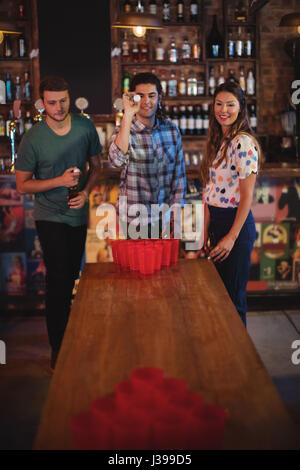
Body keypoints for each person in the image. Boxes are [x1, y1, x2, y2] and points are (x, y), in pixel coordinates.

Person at [15, 75, 102, 369]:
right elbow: (23, 185)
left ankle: (70, 341)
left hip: (76, 213)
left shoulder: (84, 126)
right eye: (52, 102)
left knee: (71, 278)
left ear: (69, 97)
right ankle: (59, 349)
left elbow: (98, 166)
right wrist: (59, 181)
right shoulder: (33, 138)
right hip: (49, 214)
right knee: (59, 279)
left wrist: (87, 192)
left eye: (63, 100)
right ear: (43, 103)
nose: (59, 106)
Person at [200, 82, 260, 326]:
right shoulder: (220, 140)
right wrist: (204, 231)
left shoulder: (242, 143)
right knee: (219, 301)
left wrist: (231, 237)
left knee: (233, 303)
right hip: (218, 224)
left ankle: (240, 363)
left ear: (241, 108)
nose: (223, 109)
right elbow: (209, 192)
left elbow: (247, 196)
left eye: (230, 104)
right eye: (219, 103)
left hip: (235, 226)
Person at [108, 72, 186, 238]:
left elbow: (179, 176)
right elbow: (115, 161)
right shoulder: (123, 131)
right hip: (133, 219)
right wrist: (128, 113)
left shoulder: (172, 130)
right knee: (136, 264)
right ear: (132, 99)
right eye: (140, 96)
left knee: (164, 264)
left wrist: (176, 212)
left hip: (164, 217)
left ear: (159, 98)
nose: (146, 101)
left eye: (152, 95)